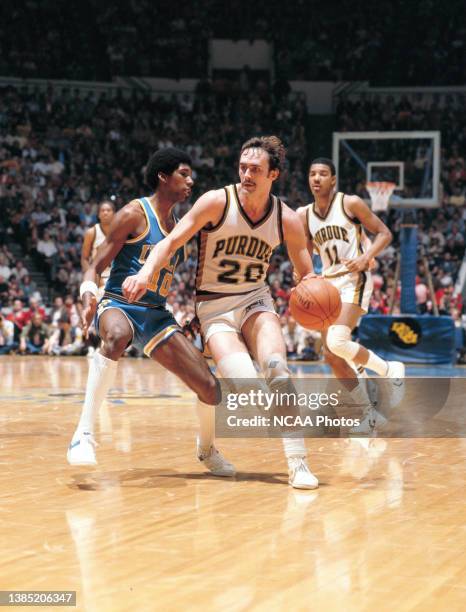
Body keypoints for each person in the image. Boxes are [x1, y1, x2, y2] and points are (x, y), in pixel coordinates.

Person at [123, 136, 319, 489]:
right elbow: (170, 242)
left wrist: (311, 291)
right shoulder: (216, 201)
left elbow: (307, 275)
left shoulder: (287, 220)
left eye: (255, 169)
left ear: (273, 174)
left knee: (278, 371)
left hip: (256, 301)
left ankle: (298, 462)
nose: (246, 174)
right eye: (242, 167)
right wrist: (144, 272)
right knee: (247, 387)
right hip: (215, 308)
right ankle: (206, 446)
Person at [67, 148, 234, 478]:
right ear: (163, 176)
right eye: (184, 174)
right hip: (117, 302)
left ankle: (207, 450)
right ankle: (83, 434)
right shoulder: (133, 213)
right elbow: (95, 266)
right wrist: (88, 295)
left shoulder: (181, 228)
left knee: (210, 389)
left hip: (157, 313)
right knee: (115, 336)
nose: (191, 180)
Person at [297, 158, 405, 432]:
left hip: (354, 278)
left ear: (333, 179)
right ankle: (367, 414)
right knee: (333, 357)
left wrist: (366, 256)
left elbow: (384, 233)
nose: (317, 178)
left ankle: (390, 370)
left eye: (323, 174)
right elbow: (306, 253)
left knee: (337, 340)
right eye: (312, 174)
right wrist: (304, 276)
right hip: (328, 284)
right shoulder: (304, 215)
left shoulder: (350, 203)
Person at [81, 199, 116, 300]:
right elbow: (84, 259)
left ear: (114, 213)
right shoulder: (91, 232)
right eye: (102, 210)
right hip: (98, 274)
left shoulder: (120, 232)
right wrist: (91, 278)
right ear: (98, 214)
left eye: (108, 210)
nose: (105, 212)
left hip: (115, 274)